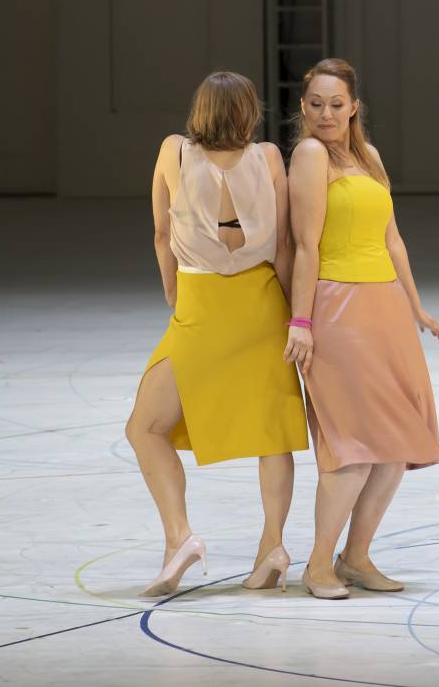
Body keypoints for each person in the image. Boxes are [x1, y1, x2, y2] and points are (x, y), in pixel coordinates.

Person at [126, 70, 308, 597]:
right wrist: (299, 317)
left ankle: (179, 537)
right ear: (251, 112)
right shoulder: (271, 158)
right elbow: (285, 249)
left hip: (200, 303)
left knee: (146, 427)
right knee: (272, 433)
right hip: (261, 305)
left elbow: (162, 235)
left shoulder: (174, 152)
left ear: (199, 110)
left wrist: (174, 295)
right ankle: (273, 544)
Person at [284, 58, 439, 599]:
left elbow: (392, 238)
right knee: (352, 444)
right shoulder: (308, 156)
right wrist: (302, 321)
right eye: (315, 105)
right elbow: (306, 245)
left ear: (355, 107)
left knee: (396, 442)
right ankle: (317, 565)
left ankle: (355, 558)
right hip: (337, 307)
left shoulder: (368, 155)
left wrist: (416, 307)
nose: (325, 114)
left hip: (385, 308)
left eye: (336, 104)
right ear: (303, 108)